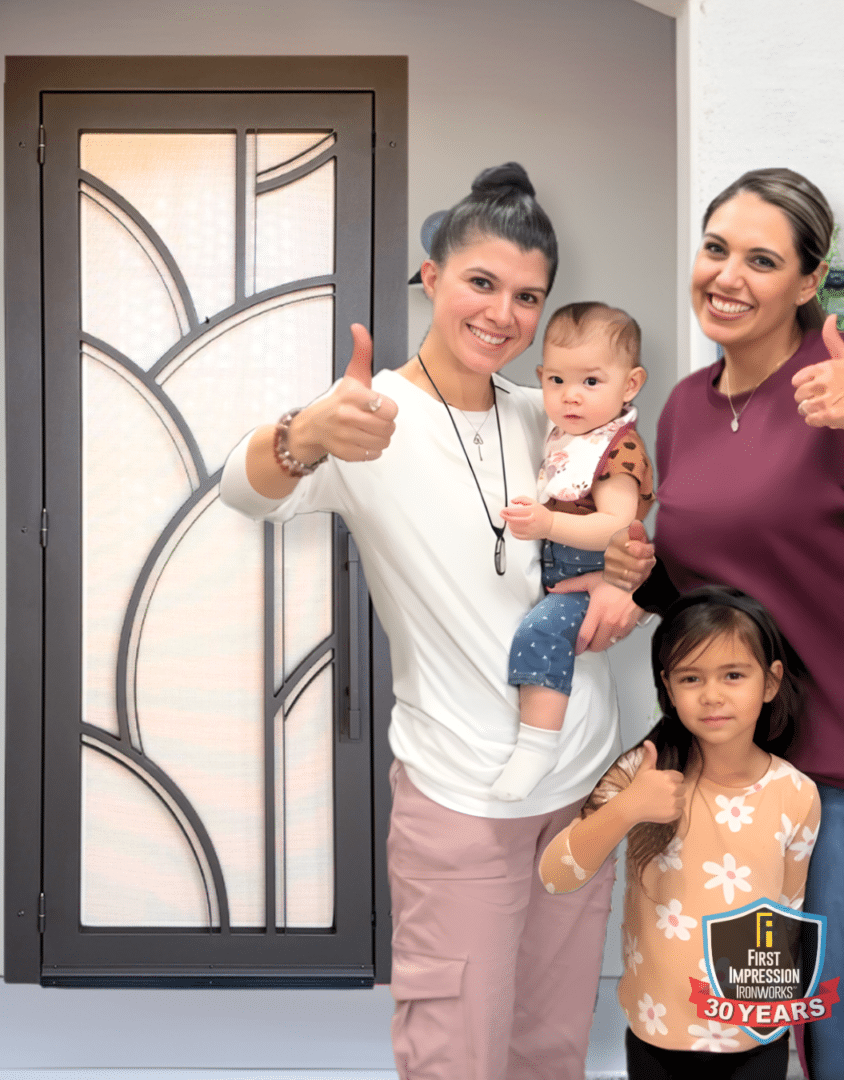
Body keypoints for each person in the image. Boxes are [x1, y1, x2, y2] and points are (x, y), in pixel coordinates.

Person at [220, 163, 624, 1080]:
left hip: (579, 782)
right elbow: (241, 490)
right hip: (459, 795)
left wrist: (622, 580)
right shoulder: (370, 418)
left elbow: (619, 538)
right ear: (432, 275)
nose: (503, 314)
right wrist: (303, 435)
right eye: (481, 282)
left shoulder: (552, 417)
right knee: (456, 1052)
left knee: (551, 1045)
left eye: (529, 296)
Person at [587, 167, 844, 1080]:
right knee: (748, 1034)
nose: (728, 277)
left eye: (761, 258)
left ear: (808, 277)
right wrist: (643, 575)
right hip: (740, 779)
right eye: (716, 249)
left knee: (843, 1036)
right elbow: (722, 591)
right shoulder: (683, 408)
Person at [540, 586, 820, 1080]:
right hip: (657, 1031)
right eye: (691, 678)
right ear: (668, 688)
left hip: (753, 1037)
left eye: (733, 675)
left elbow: (787, 915)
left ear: (770, 681)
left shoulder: (796, 793)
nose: (712, 695)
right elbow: (555, 875)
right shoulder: (641, 772)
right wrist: (627, 808)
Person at [491, 302, 653, 801]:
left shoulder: (615, 450)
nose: (570, 397)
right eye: (557, 381)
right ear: (540, 377)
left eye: (590, 382)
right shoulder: (564, 435)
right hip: (558, 567)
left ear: (630, 386)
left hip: (595, 574)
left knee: (540, 632)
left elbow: (618, 523)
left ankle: (537, 747)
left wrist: (547, 522)